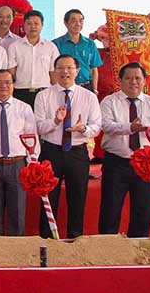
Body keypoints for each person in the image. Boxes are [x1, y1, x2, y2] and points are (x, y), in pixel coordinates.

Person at [99, 62, 150, 237]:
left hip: (144, 165)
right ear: (120, 81)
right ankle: (107, 246)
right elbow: (106, 125)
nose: (133, 82)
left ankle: (138, 246)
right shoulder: (110, 102)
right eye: (128, 78)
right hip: (116, 163)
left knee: (143, 211)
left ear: (144, 81)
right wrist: (130, 127)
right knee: (110, 209)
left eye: (138, 78)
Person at [34, 54, 102, 238]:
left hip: (77, 152)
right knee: (48, 197)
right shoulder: (43, 96)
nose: (65, 72)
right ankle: (47, 238)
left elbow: (97, 126)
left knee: (77, 197)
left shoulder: (89, 97)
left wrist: (83, 128)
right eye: (60, 68)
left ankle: (75, 238)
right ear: (54, 72)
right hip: (51, 151)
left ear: (77, 71)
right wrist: (55, 121)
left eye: (70, 68)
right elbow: (39, 127)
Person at [0, 70, 36, 236]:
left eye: (7, 82)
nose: (3, 86)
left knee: (17, 211)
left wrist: (32, 163)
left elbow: (32, 138)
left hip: (17, 164)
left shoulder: (24, 108)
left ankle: (16, 246)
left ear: (13, 85)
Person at [8, 10, 59, 107]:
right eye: (29, 23)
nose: (32, 26)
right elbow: (11, 73)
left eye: (36, 23)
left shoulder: (50, 47)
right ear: (24, 25)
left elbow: (54, 74)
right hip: (20, 93)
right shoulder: (14, 47)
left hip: (44, 92)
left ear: (42, 26)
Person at [52, 9, 102, 93]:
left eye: (81, 21)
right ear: (66, 23)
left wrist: (95, 89)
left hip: (86, 87)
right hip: (65, 88)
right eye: (73, 21)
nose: (78, 24)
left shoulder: (90, 44)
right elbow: (53, 70)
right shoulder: (56, 44)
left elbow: (94, 69)